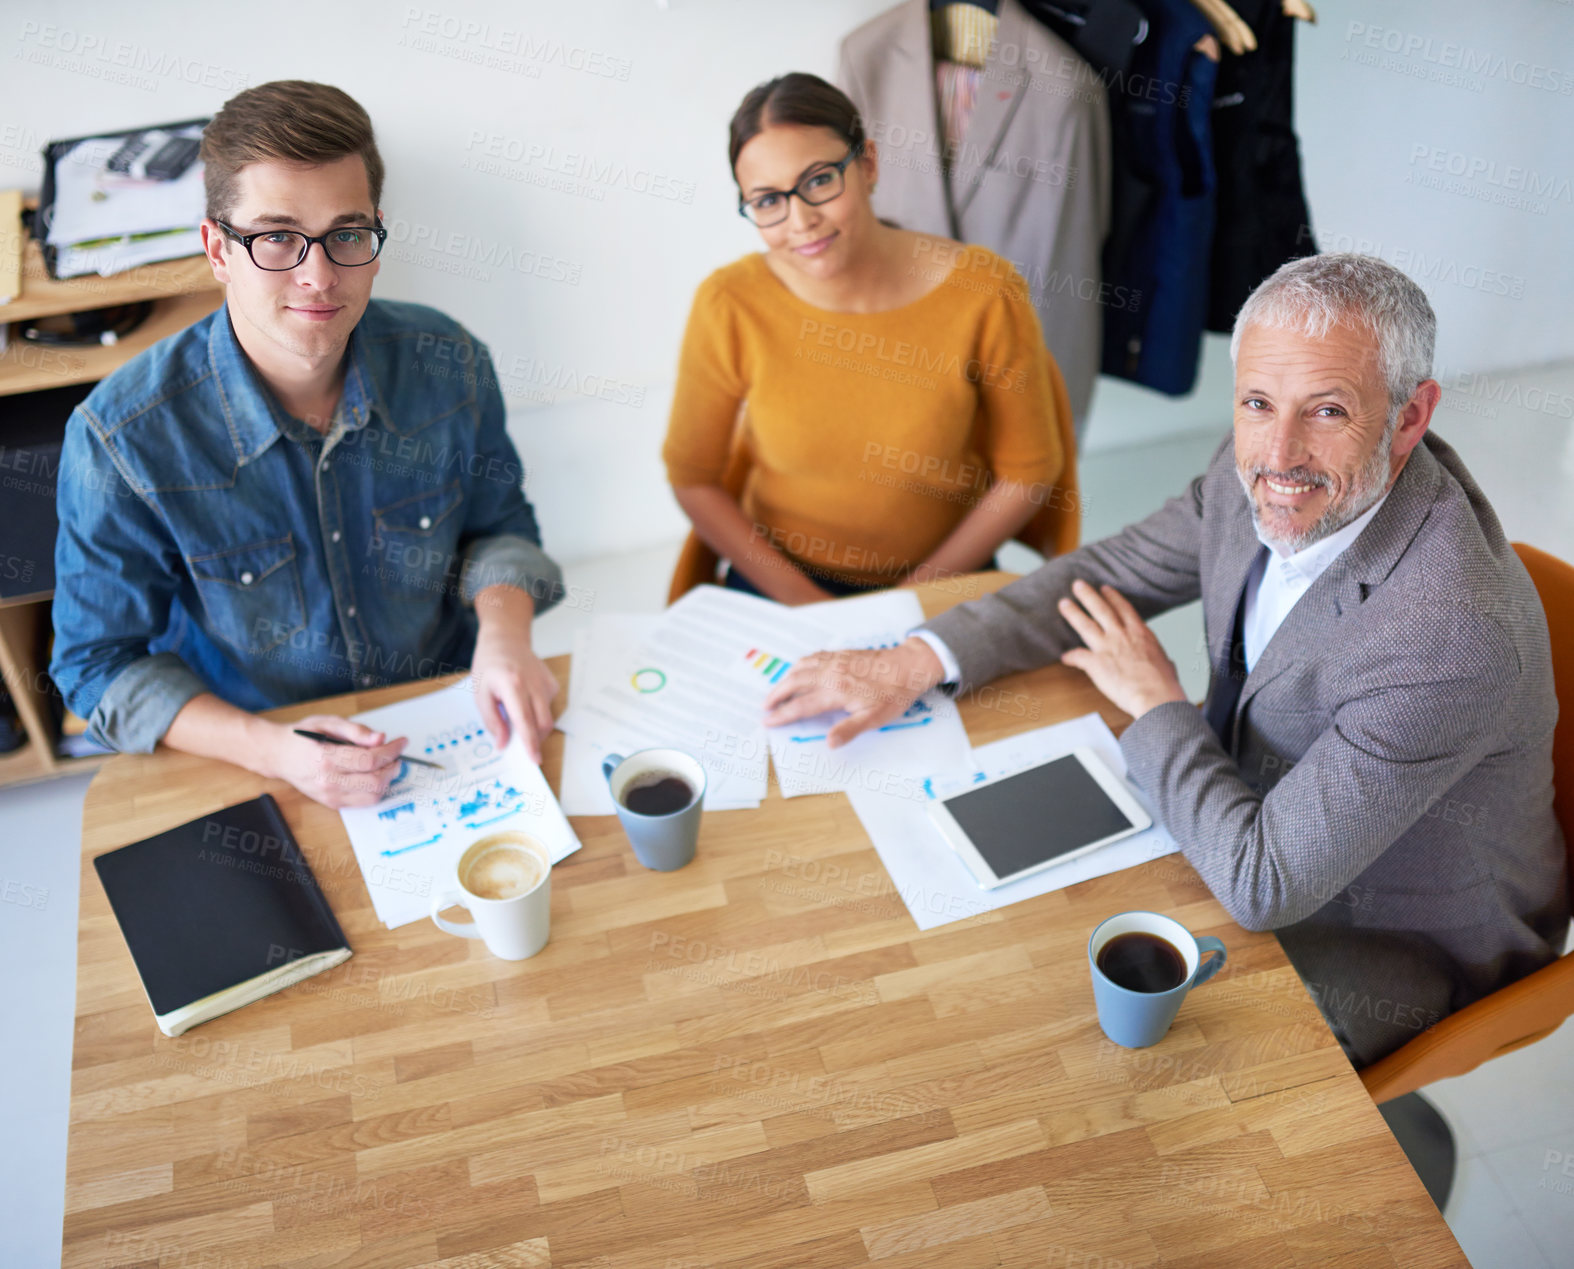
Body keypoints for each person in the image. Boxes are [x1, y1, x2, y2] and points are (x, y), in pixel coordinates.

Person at [765, 253, 1571, 1068]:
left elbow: (1264, 886)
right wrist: (918, 657)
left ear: (1409, 417)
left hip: (1390, 939)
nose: (1278, 453)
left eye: (1327, 411)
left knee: (1094, 1055)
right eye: (1257, 402)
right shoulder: (1261, 455)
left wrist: (1157, 706)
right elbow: (1109, 573)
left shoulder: (1450, 637)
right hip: (1251, 820)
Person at [50, 81, 564, 809]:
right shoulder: (119, 439)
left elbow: (503, 527)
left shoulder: (451, 360)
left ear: (376, 238)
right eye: (277, 237)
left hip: (451, 717)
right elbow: (96, 662)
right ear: (217, 249)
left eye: (346, 234)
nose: (318, 276)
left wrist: (506, 635)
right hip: (257, 745)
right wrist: (274, 751)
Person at [662, 72, 1078, 604]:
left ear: (868, 165)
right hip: (781, 585)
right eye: (767, 201)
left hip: (942, 579)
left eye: (818, 181)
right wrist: (813, 610)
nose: (801, 220)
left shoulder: (984, 291)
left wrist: (905, 604)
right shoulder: (729, 302)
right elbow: (692, 477)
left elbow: (1029, 473)